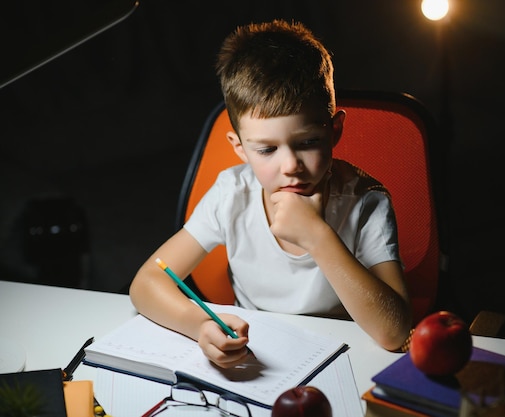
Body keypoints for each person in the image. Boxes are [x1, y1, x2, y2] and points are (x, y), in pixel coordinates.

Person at [129, 19, 412, 368]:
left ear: (334, 130)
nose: (290, 165)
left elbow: (395, 331)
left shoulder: (366, 202)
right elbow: (146, 283)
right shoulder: (231, 193)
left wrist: (317, 236)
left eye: (308, 143)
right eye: (266, 150)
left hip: (342, 356)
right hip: (257, 356)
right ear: (239, 147)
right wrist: (200, 325)